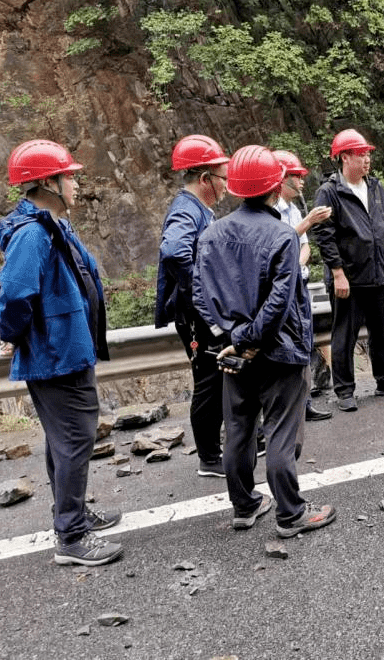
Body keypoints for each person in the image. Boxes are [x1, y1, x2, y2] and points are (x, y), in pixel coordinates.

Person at [192, 145, 336, 537]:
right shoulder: (282, 236)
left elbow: (199, 294)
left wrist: (231, 337)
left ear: (235, 187)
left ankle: (245, 505)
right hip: (279, 350)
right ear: (275, 186)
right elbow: (281, 299)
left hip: (234, 353)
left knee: (238, 429)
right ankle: (291, 513)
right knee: (281, 433)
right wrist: (251, 338)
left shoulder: (211, 233)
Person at [0, 140, 123, 566]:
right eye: (69, 176)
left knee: (65, 440)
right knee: (75, 438)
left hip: (68, 349)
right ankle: (70, 537)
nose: (76, 183)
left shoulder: (54, 225)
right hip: (55, 354)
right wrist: (12, 333)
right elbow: (15, 293)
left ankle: (74, 513)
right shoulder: (33, 234)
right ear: (49, 182)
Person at [311, 129, 384, 412]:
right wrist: (337, 272)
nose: (366, 160)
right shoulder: (330, 192)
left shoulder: (376, 187)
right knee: (345, 335)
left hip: (378, 272)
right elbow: (324, 235)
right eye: (360, 154)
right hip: (349, 278)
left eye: (368, 154)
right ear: (344, 157)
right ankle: (344, 390)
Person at [154, 135, 231, 478]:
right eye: (222, 178)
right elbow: (173, 251)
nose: (227, 186)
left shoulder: (199, 210)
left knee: (217, 377)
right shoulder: (187, 210)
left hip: (201, 312)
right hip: (198, 317)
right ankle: (210, 459)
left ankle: (223, 448)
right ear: (205, 180)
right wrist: (201, 291)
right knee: (208, 381)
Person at [272, 149, 334, 422]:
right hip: (282, 288)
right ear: (282, 178)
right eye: (296, 176)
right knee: (287, 347)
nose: (301, 182)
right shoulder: (272, 210)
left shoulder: (294, 209)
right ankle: (287, 409)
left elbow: (304, 244)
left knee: (305, 343)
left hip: (299, 282)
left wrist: (296, 266)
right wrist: (310, 221)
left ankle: (305, 403)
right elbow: (278, 241)